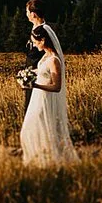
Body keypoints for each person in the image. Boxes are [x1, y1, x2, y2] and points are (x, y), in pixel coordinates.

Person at [20, 26, 78, 166]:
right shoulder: (45, 56)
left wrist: (35, 86)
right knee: (30, 129)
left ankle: (47, 161)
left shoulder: (54, 60)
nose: (34, 44)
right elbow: (42, 71)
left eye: (36, 42)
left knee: (38, 127)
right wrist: (25, 75)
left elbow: (56, 87)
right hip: (37, 98)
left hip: (45, 99)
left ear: (43, 40)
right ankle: (38, 159)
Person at [23, 0, 61, 114]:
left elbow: (48, 53)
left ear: (33, 14)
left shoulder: (43, 31)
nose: (26, 14)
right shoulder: (35, 28)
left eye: (27, 11)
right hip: (32, 72)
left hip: (40, 74)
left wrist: (34, 74)